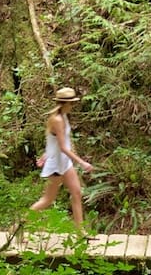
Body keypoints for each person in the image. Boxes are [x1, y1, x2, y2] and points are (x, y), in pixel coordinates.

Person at [29, 87, 97, 233]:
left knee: (77, 193)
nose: (72, 106)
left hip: (64, 162)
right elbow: (63, 147)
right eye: (71, 103)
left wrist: (45, 154)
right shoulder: (57, 119)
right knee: (47, 200)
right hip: (56, 165)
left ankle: (80, 231)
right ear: (64, 104)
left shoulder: (63, 116)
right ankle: (17, 228)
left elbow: (53, 141)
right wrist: (82, 162)